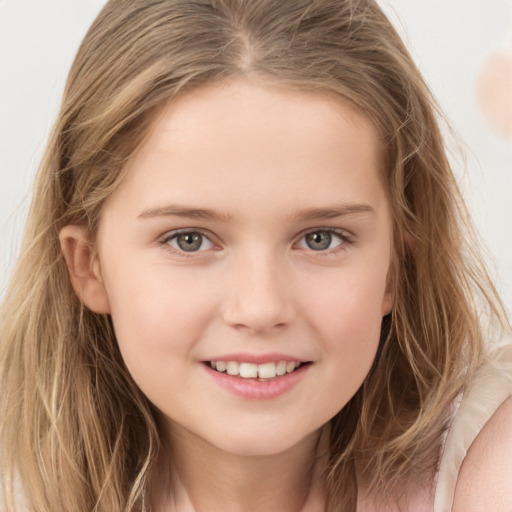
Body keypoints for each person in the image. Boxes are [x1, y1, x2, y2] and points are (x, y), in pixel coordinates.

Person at [0, 0, 511, 510]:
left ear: (396, 266)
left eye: (321, 238)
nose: (260, 308)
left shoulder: (487, 466)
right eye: (189, 240)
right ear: (88, 266)